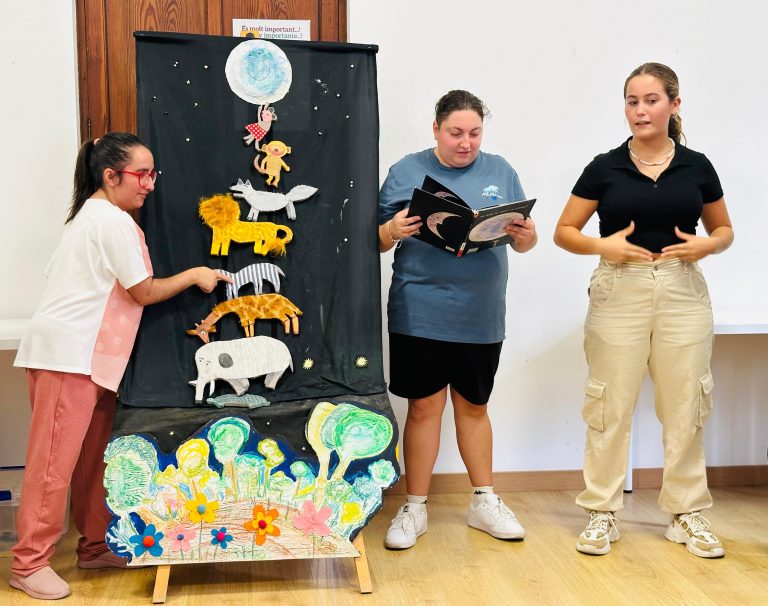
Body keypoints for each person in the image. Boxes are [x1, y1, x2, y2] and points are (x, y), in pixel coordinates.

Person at [10, 132, 231, 600]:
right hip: (66, 357)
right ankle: (28, 564)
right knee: (53, 466)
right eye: (141, 174)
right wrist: (195, 275)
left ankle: (94, 545)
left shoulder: (96, 218)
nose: (149, 184)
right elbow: (142, 291)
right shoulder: (109, 221)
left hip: (92, 360)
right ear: (111, 176)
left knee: (93, 461)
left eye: (153, 174)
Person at [553, 63, 733, 558]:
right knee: (608, 404)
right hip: (619, 288)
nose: (640, 110)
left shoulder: (697, 166)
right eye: (632, 101)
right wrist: (602, 246)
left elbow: (723, 230)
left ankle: (685, 513)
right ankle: (602, 511)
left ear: (674, 104)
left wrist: (708, 245)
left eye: (651, 100)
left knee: (685, 405)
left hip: (683, 290)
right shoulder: (605, 167)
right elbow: (564, 231)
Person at [378, 90, 537, 550]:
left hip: (480, 313)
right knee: (424, 407)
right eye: (455, 133)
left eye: (474, 133)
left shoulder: (501, 170)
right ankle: (415, 507)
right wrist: (391, 229)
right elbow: (373, 240)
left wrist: (526, 235)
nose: (466, 143)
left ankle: (484, 500)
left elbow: (525, 244)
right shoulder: (406, 171)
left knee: (474, 405)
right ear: (436, 129)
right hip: (419, 310)